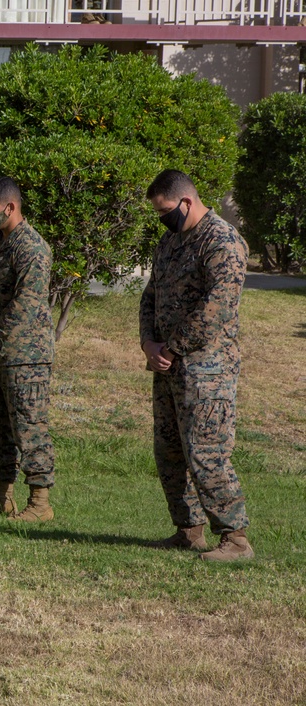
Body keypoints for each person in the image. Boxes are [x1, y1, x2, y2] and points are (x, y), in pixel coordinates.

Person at [141, 169, 253, 561]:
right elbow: (150, 295)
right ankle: (188, 531)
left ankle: (235, 539)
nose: (163, 219)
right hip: (168, 366)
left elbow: (216, 309)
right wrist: (148, 343)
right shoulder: (169, 241)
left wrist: (172, 347)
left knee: (206, 453)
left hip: (208, 369)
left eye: (166, 211)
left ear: (187, 202)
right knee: (169, 451)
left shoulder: (222, 241)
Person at [0, 177, 56, 522]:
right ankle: (1, 496)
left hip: (25, 357)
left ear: (11, 207)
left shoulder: (32, 248)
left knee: (28, 427)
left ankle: (40, 503)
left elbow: (26, 304)